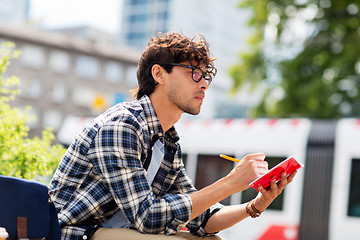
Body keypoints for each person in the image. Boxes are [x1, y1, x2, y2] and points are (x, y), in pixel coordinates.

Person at [49, 32, 297, 240]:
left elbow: (200, 218)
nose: (204, 84)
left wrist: (254, 206)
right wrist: (231, 183)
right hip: (76, 233)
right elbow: (147, 217)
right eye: (193, 72)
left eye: (206, 75)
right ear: (159, 74)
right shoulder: (122, 125)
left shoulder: (167, 142)